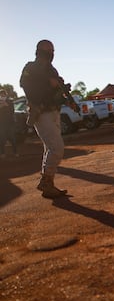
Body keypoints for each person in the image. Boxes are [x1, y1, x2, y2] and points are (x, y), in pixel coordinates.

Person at [20, 40, 77, 198]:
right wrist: (47, 83)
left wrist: (68, 100)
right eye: (48, 50)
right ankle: (46, 181)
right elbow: (25, 84)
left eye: (52, 50)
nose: (51, 53)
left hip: (54, 112)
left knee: (50, 148)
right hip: (41, 112)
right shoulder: (30, 67)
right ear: (39, 51)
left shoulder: (52, 69)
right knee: (57, 148)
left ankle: (48, 183)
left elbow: (57, 91)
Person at [0, 89, 18, 158]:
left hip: (10, 123)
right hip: (1, 124)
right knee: (2, 139)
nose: (2, 96)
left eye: (3, 95)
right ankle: (2, 153)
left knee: (12, 138)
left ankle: (15, 152)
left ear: (6, 95)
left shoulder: (10, 101)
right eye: (1, 95)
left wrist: (6, 105)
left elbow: (12, 111)